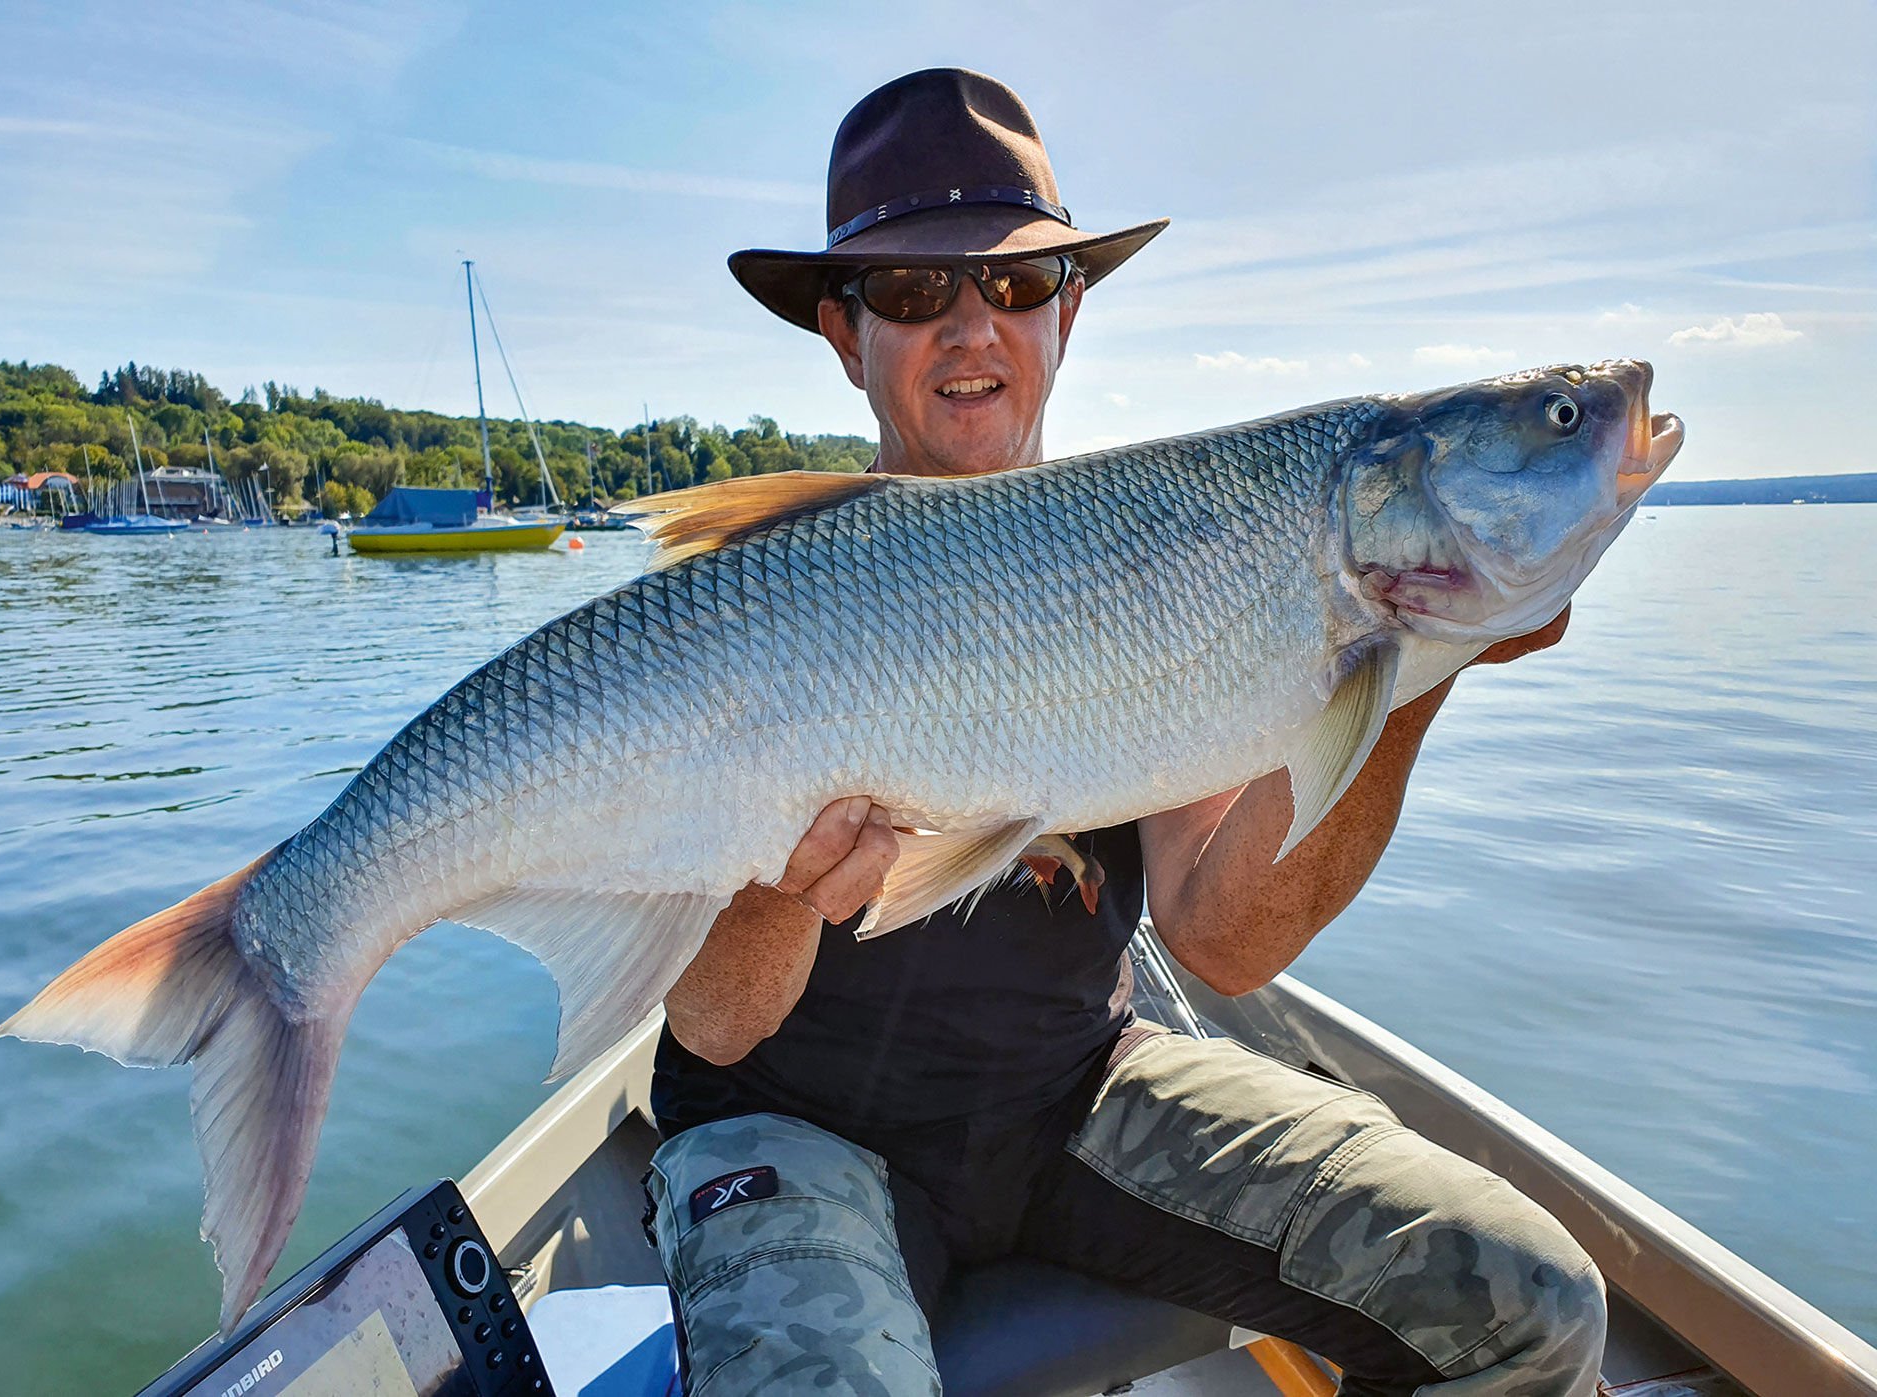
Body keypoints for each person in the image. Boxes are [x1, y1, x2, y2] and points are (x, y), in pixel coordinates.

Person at [643, 68, 1607, 1397]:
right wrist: (781, 883)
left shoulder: (1164, 563)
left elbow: (1221, 935)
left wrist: (1416, 667)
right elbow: (717, 1019)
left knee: (1530, 1300)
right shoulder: (763, 598)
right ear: (841, 331)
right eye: (916, 294)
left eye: (1018, 286)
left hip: (1074, 1098)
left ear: (1070, 311)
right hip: (790, 1127)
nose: (973, 327)